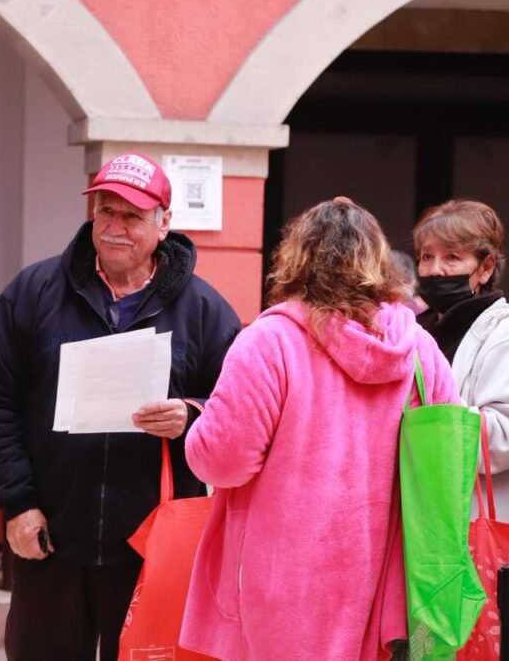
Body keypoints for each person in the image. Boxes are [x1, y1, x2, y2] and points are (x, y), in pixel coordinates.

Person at [0, 152, 241, 661]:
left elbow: (236, 409)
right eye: (106, 211)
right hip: (48, 535)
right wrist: (18, 502)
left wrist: (192, 416)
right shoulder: (33, 294)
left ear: (164, 224)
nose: (115, 227)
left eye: (132, 216)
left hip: (151, 546)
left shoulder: (204, 311)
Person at [179, 197, 459, 660]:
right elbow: (447, 462)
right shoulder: (419, 349)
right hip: (389, 579)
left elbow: (222, 461)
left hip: (282, 578)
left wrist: (197, 427)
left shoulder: (268, 342)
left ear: (297, 257)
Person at [413, 199, 509, 526]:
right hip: (424, 516)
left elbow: (507, 438)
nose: (435, 270)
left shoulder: (508, 334)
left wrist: (426, 413)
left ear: (485, 268)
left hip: (474, 524)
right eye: (427, 256)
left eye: (452, 257)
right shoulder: (418, 330)